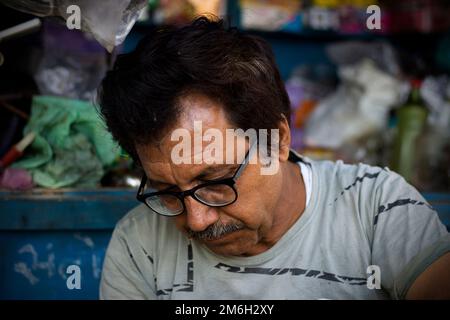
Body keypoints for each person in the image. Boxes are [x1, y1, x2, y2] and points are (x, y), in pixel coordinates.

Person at [97, 17, 450, 299]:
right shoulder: (139, 243)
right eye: (167, 190)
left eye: (215, 181)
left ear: (278, 140)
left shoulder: (376, 210)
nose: (197, 220)